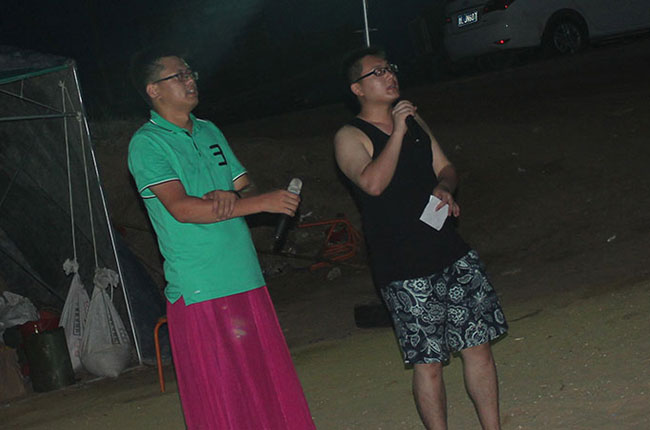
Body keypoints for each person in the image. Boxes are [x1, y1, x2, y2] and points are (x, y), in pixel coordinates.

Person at [127, 50, 315, 430]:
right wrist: (259, 203)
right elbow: (182, 208)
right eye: (179, 75)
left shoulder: (210, 131)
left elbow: (246, 187)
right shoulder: (147, 144)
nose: (190, 80)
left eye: (190, 73)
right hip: (201, 287)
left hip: (245, 276)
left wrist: (241, 197)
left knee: (268, 388)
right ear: (153, 90)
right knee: (224, 400)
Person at [334, 46, 508, 429]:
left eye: (390, 68)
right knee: (429, 362)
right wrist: (396, 131)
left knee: (478, 346)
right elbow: (372, 183)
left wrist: (444, 187)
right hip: (403, 264)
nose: (389, 75)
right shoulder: (349, 136)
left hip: (448, 248)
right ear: (357, 89)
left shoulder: (414, 119)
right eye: (378, 72)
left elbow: (446, 167)